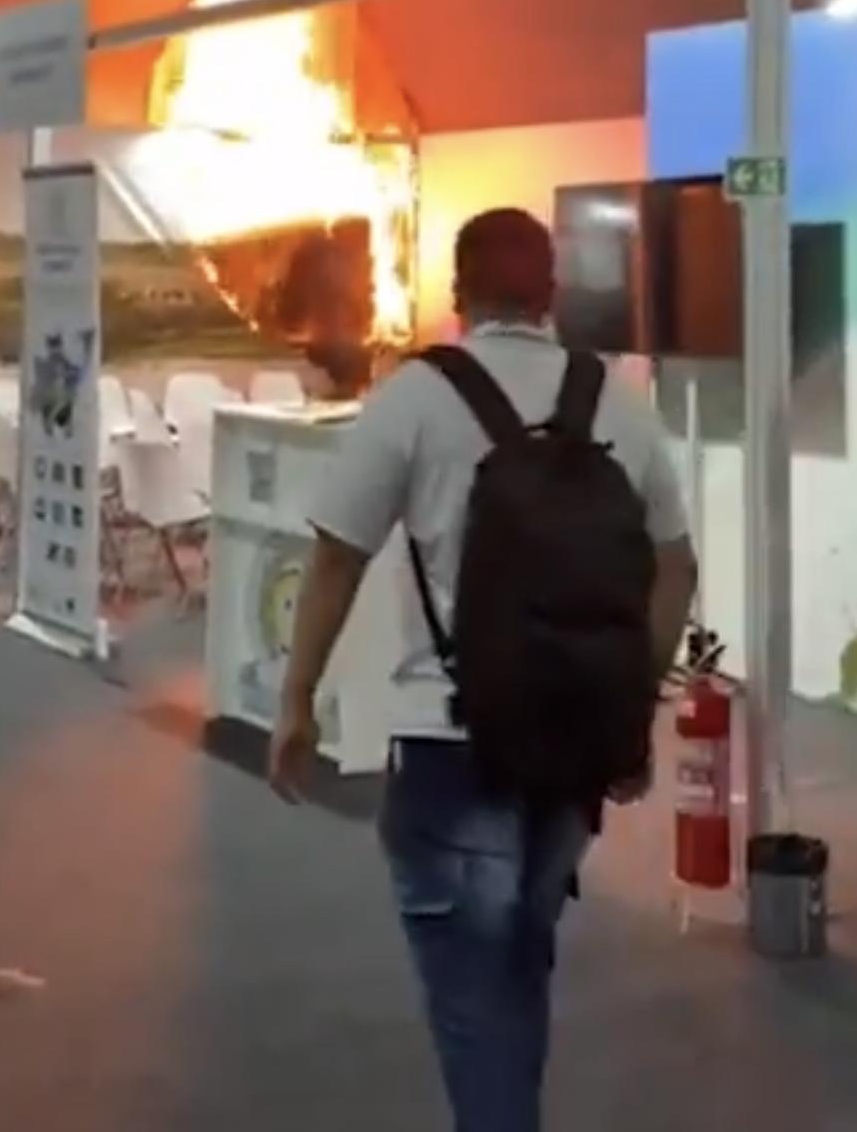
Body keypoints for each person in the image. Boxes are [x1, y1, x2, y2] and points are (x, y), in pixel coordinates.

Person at [269, 207, 696, 1132]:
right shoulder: (619, 404)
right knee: (520, 969)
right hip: (575, 742)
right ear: (551, 293)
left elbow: (337, 554)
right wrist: (631, 706)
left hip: (451, 741)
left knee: (472, 1004)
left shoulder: (414, 399)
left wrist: (297, 699)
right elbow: (676, 566)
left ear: (458, 294)